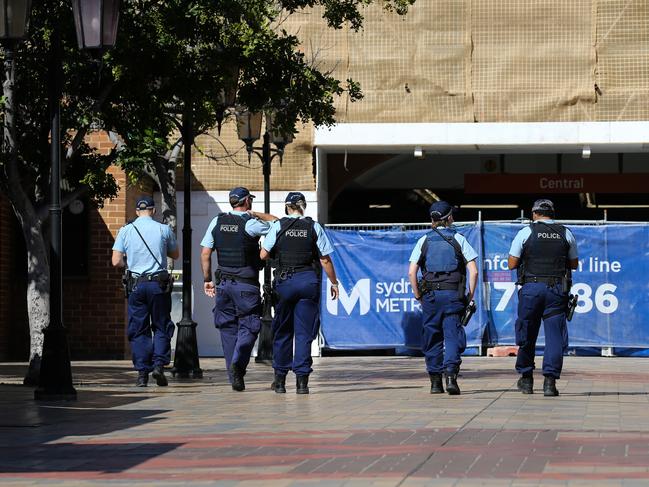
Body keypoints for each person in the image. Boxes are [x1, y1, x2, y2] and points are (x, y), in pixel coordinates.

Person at [259, 192, 339, 395]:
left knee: (283, 332)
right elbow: (325, 260)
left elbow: (263, 254)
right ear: (303, 207)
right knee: (304, 334)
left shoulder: (278, 226)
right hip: (307, 281)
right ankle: (302, 383)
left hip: (284, 282)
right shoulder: (314, 227)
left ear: (287, 207)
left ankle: (279, 381)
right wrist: (334, 282)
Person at [200, 187, 278, 391]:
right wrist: (258, 214)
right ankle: (238, 365)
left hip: (223, 284)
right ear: (246, 202)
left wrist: (207, 279)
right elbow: (278, 223)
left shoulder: (217, 221)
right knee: (250, 326)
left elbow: (205, 253)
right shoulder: (251, 223)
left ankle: (233, 376)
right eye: (250, 200)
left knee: (227, 329)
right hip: (246, 285)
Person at [508, 199, 578, 396]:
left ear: (534, 214)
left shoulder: (526, 232)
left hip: (531, 289)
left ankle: (526, 379)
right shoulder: (566, 232)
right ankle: (550, 382)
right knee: (555, 337)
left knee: (527, 334)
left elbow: (511, 264)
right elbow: (574, 264)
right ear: (552, 213)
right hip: (556, 289)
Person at [408, 201, 478, 395]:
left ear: (432, 220)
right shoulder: (459, 239)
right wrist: (469, 296)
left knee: (432, 336)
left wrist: (417, 294)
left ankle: (435, 382)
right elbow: (473, 272)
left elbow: (411, 272)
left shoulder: (424, 241)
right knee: (453, 335)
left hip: (430, 296)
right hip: (454, 295)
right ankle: (451, 377)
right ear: (449, 218)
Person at [112, 196, 179, 387]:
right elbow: (175, 254)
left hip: (136, 285)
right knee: (161, 325)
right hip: (158, 285)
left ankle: (142, 373)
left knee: (139, 329)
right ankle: (158, 365)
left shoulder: (126, 230)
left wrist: (131, 264)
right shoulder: (163, 229)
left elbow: (116, 261)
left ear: (136, 211)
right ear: (154, 211)